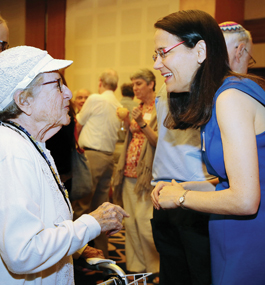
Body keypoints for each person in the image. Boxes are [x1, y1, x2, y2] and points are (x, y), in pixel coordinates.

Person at [151, 10, 265, 284]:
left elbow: (246, 200)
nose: (157, 64)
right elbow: (237, 179)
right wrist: (186, 186)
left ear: (200, 50)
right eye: (155, 55)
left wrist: (180, 199)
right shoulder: (224, 94)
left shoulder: (230, 97)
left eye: (163, 52)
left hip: (249, 237)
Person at [0, 45, 129, 285]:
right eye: (57, 85)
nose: (68, 93)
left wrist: (78, 249)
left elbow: (43, 225)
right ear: (23, 100)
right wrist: (92, 223)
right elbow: (23, 253)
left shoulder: (30, 144)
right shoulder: (12, 151)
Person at [150, 83, 214, 285]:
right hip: (189, 193)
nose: (158, 64)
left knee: (177, 271)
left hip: (180, 188)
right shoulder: (205, 85)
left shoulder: (166, 85)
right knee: (194, 272)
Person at [113, 69, 159, 276]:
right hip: (128, 172)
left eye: (139, 83)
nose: (135, 88)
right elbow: (130, 137)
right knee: (130, 222)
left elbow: (159, 142)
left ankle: (155, 266)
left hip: (146, 176)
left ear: (151, 84)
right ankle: (135, 266)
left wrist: (141, 122)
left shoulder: (159, 107)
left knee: (144, 222)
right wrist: (127, 123)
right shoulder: (138, 107)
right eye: (134, 85)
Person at [73, 69, 122, 258]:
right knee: (102, 206)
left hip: (92, 156)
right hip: (108, 158)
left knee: (82, 206)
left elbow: (78, 123)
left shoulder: (95, 99)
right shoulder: (117, 105)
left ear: (100, 82)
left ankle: (78, 255)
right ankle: (102, 255)